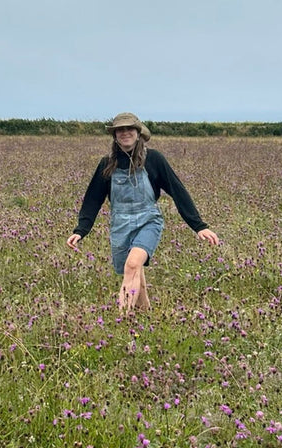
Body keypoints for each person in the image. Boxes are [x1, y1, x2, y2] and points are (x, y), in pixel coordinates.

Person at [66, 112, 219, 312]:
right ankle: (146, 316)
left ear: (138, 133)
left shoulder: (154, 159)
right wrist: (81, 229)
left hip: (148, 220)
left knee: (131, 265)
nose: (125, 133)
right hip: (120, 224)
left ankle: (122, 318)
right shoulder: (107, 164)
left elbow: (177, 190)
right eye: (120, 130)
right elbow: (93, 199)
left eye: (129, 129)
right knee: (134, 270)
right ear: (114, 135)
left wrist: (199, 225)